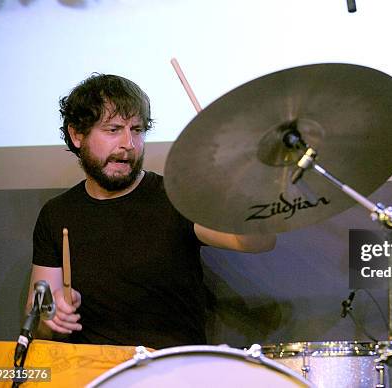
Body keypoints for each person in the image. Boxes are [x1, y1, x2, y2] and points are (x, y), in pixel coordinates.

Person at [26, 73, 275, 349]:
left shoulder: (175, 197)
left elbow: (258, 242)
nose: (128, 144)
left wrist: (248, 182)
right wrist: (51, 315)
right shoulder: (56, 214)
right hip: (94, 374)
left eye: (137, 129)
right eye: (113, 129)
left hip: (174, 370)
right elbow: (36, 316)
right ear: (77, 135)